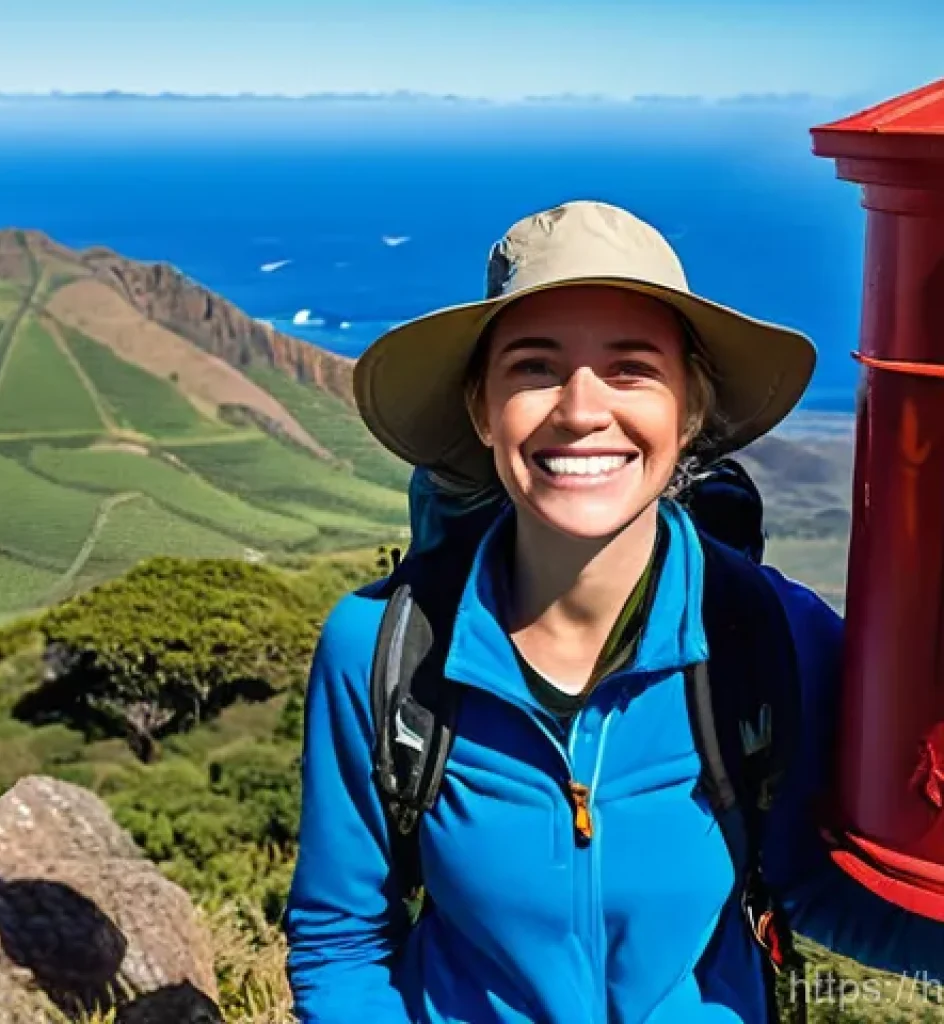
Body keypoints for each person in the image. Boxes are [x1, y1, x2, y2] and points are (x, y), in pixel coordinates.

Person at [282, 201, 944, 1023]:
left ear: (689, 412)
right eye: (534, 368)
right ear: (483, 410)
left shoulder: (776, 636)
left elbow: (808, 880)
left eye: (632, 368)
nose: (582, 409)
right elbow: (342, 938)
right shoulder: (382, 652)